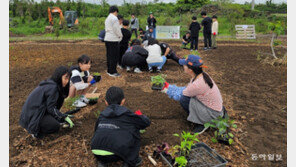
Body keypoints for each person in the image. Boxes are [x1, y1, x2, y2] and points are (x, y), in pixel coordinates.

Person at [160, 55, 225, 134]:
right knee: (187, 97)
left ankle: (201, 123)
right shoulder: (202, 75)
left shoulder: (197, 84)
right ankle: (203, 118)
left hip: (213, 115)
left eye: (184, 65)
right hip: (216, 109)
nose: (183, 66)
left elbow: (179, 96)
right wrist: (169, 87)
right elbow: (186, 89)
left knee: (184, 100)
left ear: (190, 70)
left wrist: (165, 90)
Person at [91, 86, 150, 167]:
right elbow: (146, 122)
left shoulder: (102, 115)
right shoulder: (127, 114)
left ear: (106, 102)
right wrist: (139, 116)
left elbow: (96, 130)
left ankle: (102, 162)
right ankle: (131, 161)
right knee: (135, 131)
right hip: (117, 154)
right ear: (123, 101)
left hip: (96, 150)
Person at [19, 66, 74, 138]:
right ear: (59, 76)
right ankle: (35, 132)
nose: (67, 81)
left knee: (56, 119)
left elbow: (51, 106)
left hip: (36, 113)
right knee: (54, 126)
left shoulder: (52, 84)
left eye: (68, 78)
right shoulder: (53, 87)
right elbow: (51, 108)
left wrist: (60, 115)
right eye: (65, 78)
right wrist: (62, 117)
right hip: (32, 116)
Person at [104, 6, 123, 77]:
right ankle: (113, 71)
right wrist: (120, 36)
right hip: (113, 39)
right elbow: (116, 29)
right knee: (114, 56)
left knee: (109, 55)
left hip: (107, 38)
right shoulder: (114, 18)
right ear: (115, 11)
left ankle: (109, 70)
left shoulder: (107, 18)